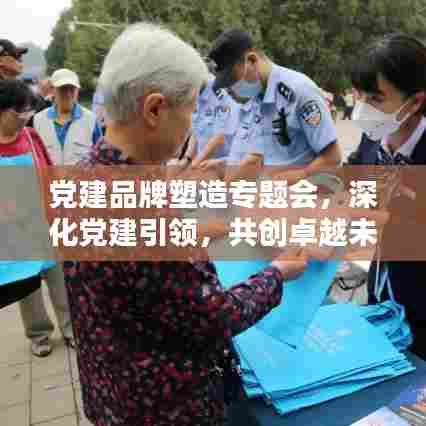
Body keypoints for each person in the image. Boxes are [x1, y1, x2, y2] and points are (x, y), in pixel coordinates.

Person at [62, 22, 328, 426]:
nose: (193, 125)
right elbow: (212, 318)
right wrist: (277, 274)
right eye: (190, 110)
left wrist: (205, 228)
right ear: (154, 109)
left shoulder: (81, 176)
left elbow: (132, 273)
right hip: (165, 406)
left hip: (111, 390)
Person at [348, 33, 426, 359]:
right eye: (360, 95)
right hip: (382, 299)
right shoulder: (374, 138)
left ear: (415, 103)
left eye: (376, 99)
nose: (364, 108)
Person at [207, 29, 341, 184]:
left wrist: (302, 174)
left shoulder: (299, 90)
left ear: (251, 60)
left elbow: (333, 157)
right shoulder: (258, 99)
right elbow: (259, 157)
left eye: (231, 80)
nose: (229, 89)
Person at [0, 80, 73, 355]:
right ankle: (39, 335)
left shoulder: (31, 136)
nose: (25, 118)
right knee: (27, 287)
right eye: (19, 112)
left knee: (60, 281)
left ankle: (70, 328)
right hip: (12, 232)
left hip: (45, 221)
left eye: (28, 111)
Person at [33, 68, 103, 165]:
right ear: (53, 90)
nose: (68, 94)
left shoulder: (91, 119)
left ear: (78, 90)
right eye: (63, 89)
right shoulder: (38, 119)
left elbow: (100, 157)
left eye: (72, 89)